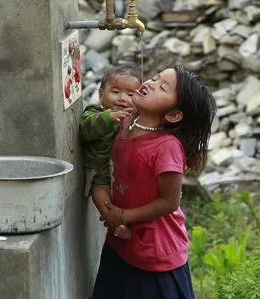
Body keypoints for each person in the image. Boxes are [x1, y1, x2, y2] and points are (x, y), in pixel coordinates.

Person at [91, 66, 216, 299]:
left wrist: (123, 216)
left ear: (173, 115)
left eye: (162, 87)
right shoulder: (126, 125)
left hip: (156, 255)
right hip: (121, 244)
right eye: (154, 77)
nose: (149, 83)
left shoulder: (166, 147)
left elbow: (169, 202)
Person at [80, 64, 141, 239]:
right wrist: (109, 118)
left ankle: (130, 221)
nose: (123, 98)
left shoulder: (137, 118)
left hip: (124, 174)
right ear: (101, 95)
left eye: (131, 94)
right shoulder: (95, 113)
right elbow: (85, 130)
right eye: (115, 92)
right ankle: (115, 224)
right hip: (101, 173)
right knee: (102, 199)